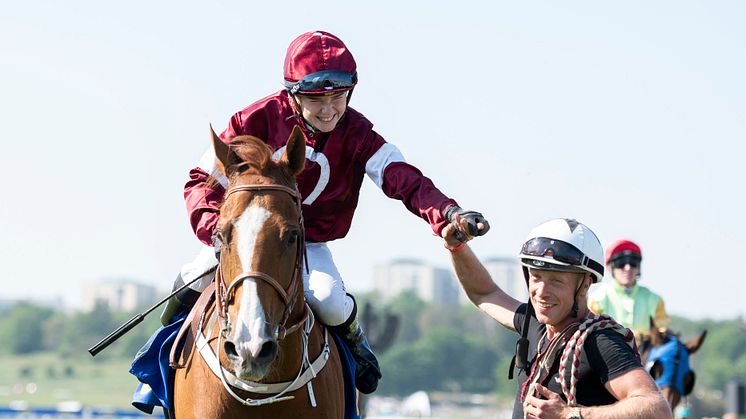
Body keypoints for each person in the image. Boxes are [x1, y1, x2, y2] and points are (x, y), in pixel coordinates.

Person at [160, 30, 490, 395]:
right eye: (317, 100)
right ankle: (158, 356)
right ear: (293, 94)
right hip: (244, 240)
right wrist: (217, 233)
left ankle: (356, 351)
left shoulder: (359, 134)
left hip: (308, 243)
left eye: (339, 97)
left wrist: (448, 211)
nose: (330, 109)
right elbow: (199, 182)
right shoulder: (252, 121)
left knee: (331, 302)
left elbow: (404, 179)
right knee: (195, 276)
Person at [443, 218, 672, 419]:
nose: (541, 291)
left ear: (584, 285)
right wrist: (457, 247)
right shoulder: (533, 324)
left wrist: (569, 414)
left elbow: (656, 409)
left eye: (556, 281)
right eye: (536, 276)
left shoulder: (601, 342)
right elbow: (485, 293)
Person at [588, 239, 670, 342]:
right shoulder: (595, 299)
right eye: (621, 262)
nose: (628, 268)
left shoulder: (655, 300)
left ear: (639, 267)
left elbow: (662, 332)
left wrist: (642, 336)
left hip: (643, 355)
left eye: (633, 262)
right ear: (610, 267)